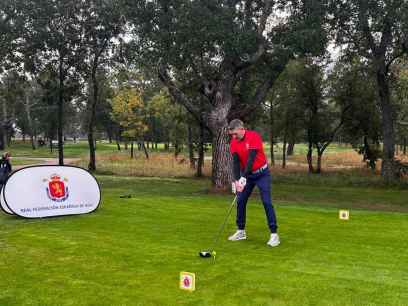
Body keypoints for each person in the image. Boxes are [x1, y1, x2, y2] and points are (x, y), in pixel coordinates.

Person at [228, 119, 280, 247]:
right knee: (240, 201)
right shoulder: (234, 142)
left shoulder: (253, 137)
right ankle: (241, 231)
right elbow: (235, 163)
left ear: (241, 129)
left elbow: (251, 159)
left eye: (235, 134)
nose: (234, 137)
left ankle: (274, 234)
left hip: (262, 174)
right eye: (232, 135)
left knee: (266, 201)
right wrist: (236, 180)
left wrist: (243, 177)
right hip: (247, 175)